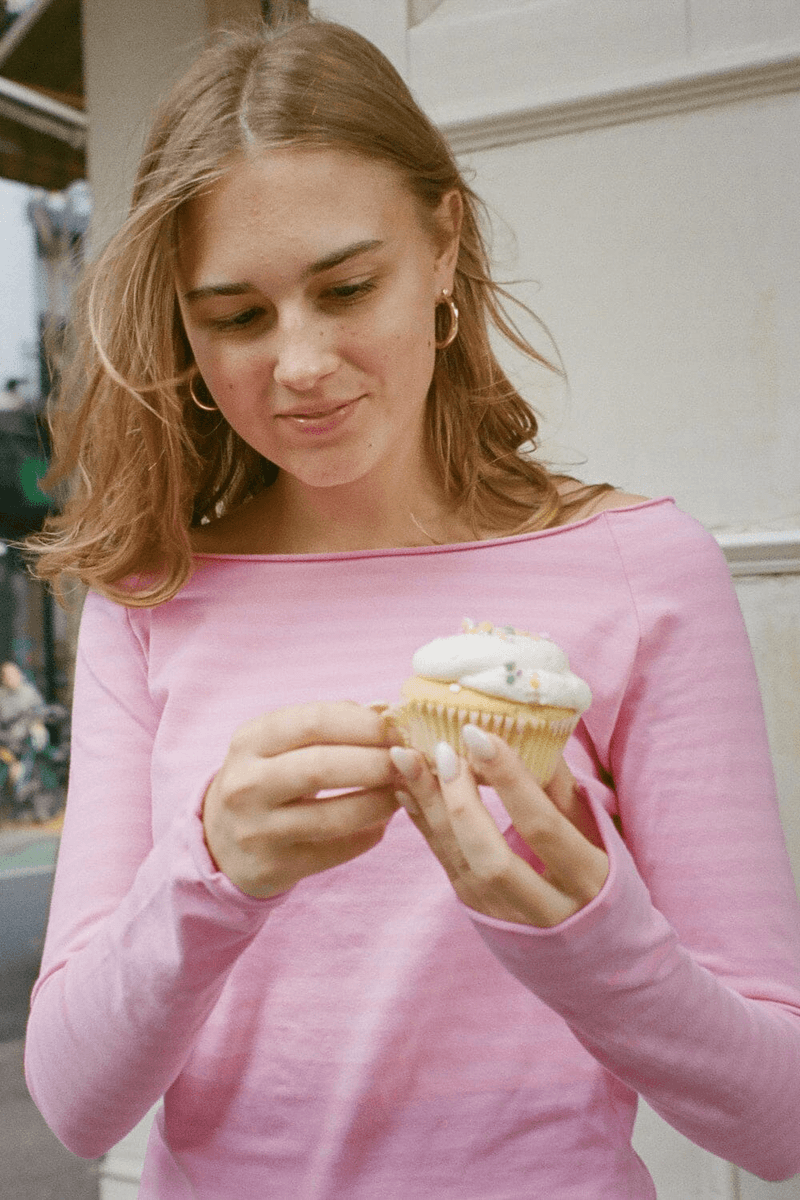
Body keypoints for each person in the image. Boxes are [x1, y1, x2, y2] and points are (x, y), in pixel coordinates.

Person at [23, 10, 800, 1198]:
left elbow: (778, 1121)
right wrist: (209, 876)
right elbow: (76, 1105)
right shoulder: (149, 596)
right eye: (235, 316)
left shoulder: (643, 572)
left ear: (441, 245)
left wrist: (586, 938)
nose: (299, 364)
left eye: (346, 287)